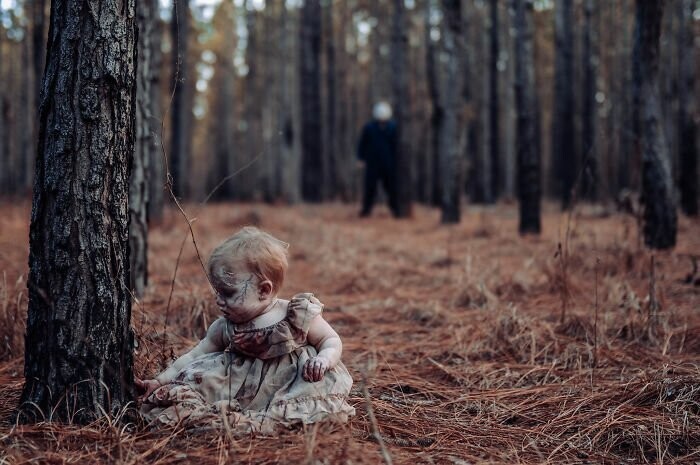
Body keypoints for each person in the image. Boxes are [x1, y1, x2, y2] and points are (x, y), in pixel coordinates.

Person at [136, 227, 354, 433]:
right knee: (196, 385)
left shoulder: (295, 315)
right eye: (217, 292)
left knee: (307, 400)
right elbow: (195, 355)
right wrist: (160, 381)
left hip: (287, 383)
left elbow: (331, 339)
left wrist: (324, 359)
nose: (219, 301)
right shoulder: (225, 326)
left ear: (263, 290)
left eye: (228, 293)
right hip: (235, 385)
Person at [357, 101, 399, 217]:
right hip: (373, 163)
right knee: (370, 187)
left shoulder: (393, 127)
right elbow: (362, 144)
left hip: (389, 163)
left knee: (391, 188)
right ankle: (366, 210)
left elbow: (397, 146)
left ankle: (395, 209)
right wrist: (360, 158)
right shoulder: (369, 128)